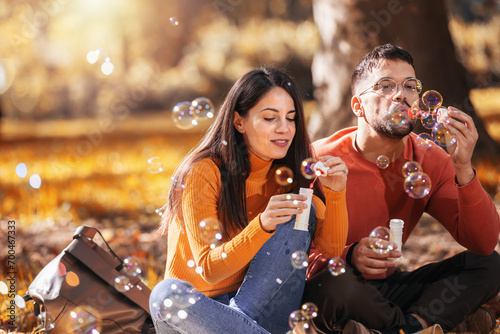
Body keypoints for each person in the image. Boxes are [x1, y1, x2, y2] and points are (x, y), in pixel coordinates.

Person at [302, 44, 500, 334]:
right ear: (358, 105)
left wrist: (464, 168)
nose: (401, 94)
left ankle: (402, 327)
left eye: (410, 85)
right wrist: (350, 255)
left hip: (388, 290)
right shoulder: (320, 161)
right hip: (334, 286)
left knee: (489, 264)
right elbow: (289, 258)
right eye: (385, 85)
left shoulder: (430, 159)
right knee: (338, 284)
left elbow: (482, 241)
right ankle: (428, 325)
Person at [149, 67, 349, 334]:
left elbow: (331, 251)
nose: (284, 129)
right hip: (198, 317)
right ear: (238, 122)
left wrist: (336, 193)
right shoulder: (204, 172)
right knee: (165, 294)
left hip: (258, 312)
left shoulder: (288, 178)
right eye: (269, 118)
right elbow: (209, 269)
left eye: (291, 119)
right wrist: (263, 225)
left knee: (301, 210)